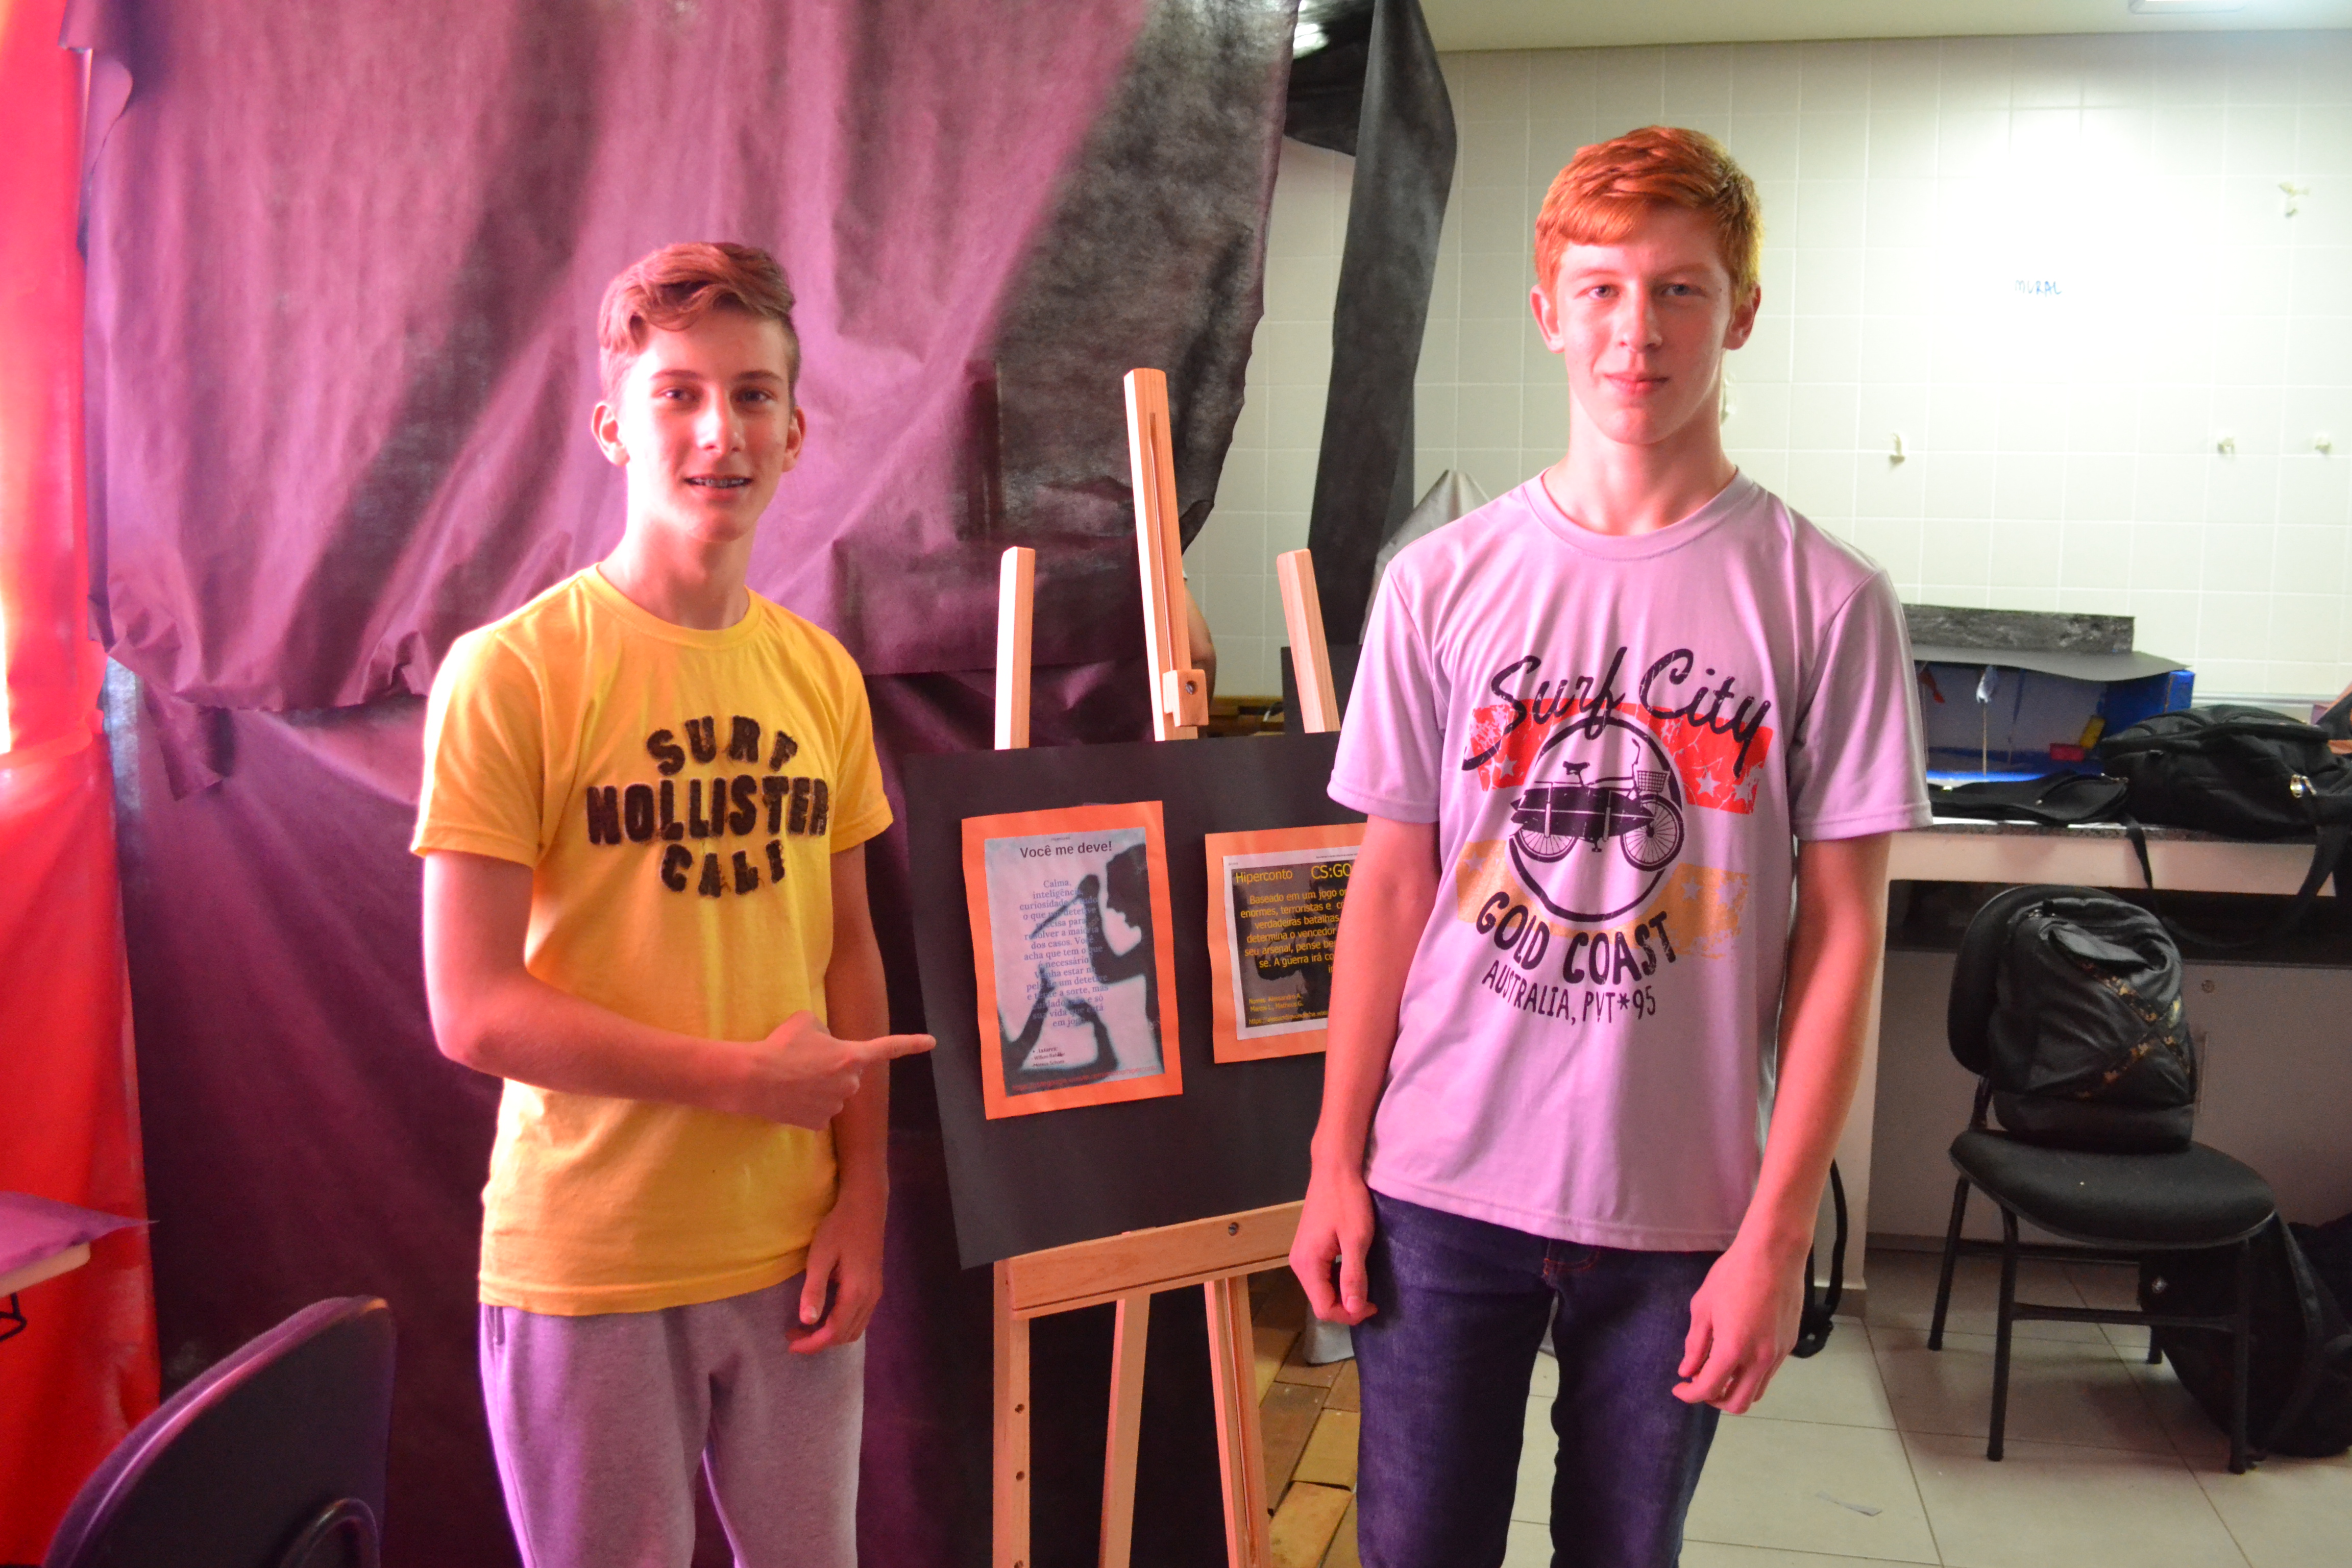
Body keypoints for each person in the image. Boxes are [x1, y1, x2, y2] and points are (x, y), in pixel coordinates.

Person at [1289, 128, 1929, 1567]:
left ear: (1741, 313)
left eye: (1680, 290)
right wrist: (1334, 1160)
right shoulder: (1437, 584)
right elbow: (1388, 888)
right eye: (1600, 289)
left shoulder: (1828, 602)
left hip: (1683, 1208)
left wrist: (1776, 1235)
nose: (1636, 330)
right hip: (1438, 1185)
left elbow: (1843, 938)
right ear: (1548, 312)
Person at [413, 241, 934, 1568]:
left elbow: (850, 953)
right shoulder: (512, 674)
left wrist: (862, 1195)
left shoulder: (820, 677)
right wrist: (740, 1080)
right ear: (613, 427)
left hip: (792, 1252)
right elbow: (472, 1009)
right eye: (679, 394)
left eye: (755, 395)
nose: (721, 431)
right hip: (591, 1258)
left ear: (796, 430)